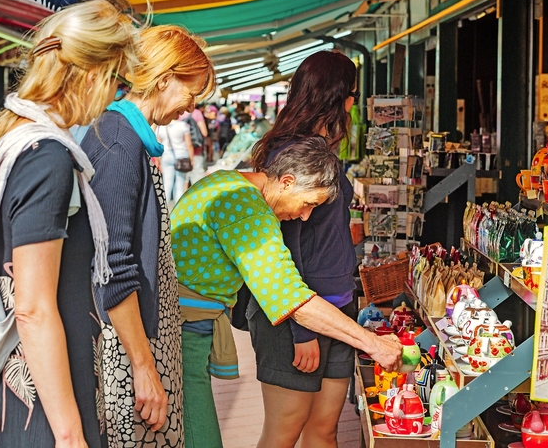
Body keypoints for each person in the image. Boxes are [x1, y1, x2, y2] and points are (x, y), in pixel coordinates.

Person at [0, 0, 139, 448]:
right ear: (94, 73)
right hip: (41, 385)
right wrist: (69, 431)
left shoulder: (9, 135)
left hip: (14, 372)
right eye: (119, 83)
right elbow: (34, 307)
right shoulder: (48, 156)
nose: (113, 98)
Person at [171, 137, 402, 448]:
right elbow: (292, 299)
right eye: (308, 203)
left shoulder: (228, 182)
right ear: (287, 181)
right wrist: (372, 343)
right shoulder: (247, 208)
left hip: (183, 324)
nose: (305, 215)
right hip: (184, 329)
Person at [82, 24, 214, 448]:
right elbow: (114, 267)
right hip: (129, 347)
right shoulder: (121, 143)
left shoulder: (131, 138)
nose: (191, 107)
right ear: (163, 78)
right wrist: (143, 367)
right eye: (190, 92)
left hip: (142, 341)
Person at [248, 51, 360, 448]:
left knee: (323, 430)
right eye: (351, 95)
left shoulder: (320, 150)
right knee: (284, 433)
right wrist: (301, 329)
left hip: (339, 306)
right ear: (333, 96)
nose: (352, 105)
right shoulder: (291, 155)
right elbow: (282, 252)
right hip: (297, 316)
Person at [157, 118, 194, 205]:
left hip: (166, 155)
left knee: (167, 184)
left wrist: (159, 161)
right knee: (179, 185)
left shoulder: (161, 126)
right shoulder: (183, 125)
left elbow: (158, 144)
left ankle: (163, 210)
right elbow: (189, 144)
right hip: (181, 155)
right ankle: (178, 210)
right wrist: (191, 159)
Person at [183, 106, 207, 185]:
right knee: (197, 176)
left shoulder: (177, 112)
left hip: (181, 151)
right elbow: (204, 132)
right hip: (196, 150)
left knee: (183, 179)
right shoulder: (196, 113)